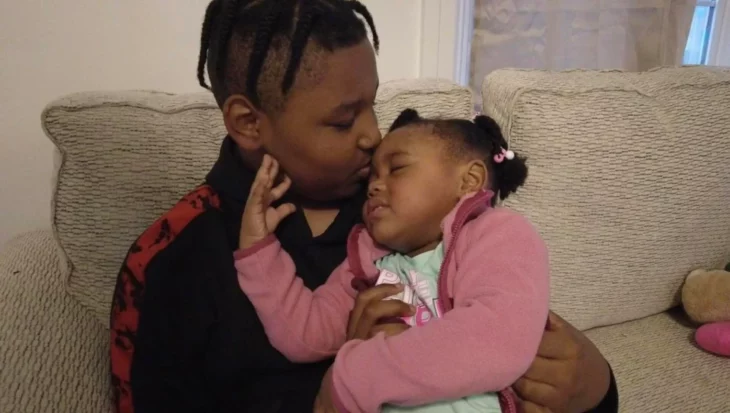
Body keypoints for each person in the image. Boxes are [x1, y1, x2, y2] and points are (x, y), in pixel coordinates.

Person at [109, 1, 619, 412]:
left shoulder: (410, 204)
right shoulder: (169, 263)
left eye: (372, 105)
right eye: (341, 120)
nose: (373, 135)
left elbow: (500, 325)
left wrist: (594, 382)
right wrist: (346, 376)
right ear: (247, 122)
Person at [235, 108, 548, 413]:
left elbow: (498, 339)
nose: (374, 186)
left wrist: (357, 376)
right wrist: (258, 249)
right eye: (373, 175)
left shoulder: (498, 235)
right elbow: (304, 334)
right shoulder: (366, 266)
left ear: (469, 181)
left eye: (397, 169)